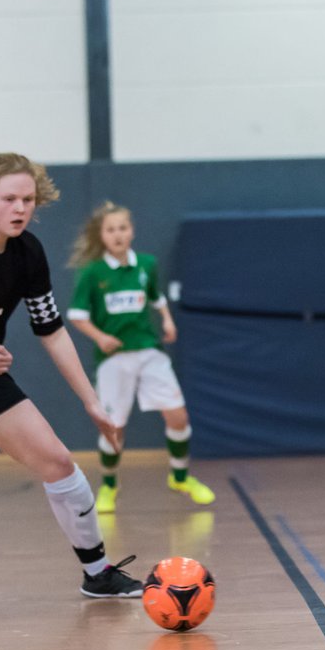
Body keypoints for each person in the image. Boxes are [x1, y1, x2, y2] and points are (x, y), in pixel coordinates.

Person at [0, 153, 146, 601]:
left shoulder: (28, 254)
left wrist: (92, 403)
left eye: (28, 199)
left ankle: (98, 573)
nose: (20, 208)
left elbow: (51, 330)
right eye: (9, 198)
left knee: (58, 462)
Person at [67, 202, 214, 514]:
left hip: (149, 352)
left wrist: (168, 319)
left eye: (123, 228)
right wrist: (101, 337)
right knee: (114, 428)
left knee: (178, 416)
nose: (118, 234)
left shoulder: (146, 264)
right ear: (102, 235)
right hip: (114, 360)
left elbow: (156, 297)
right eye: (111, 229)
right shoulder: (93, 273)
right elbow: (77, 316)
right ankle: (108, 485)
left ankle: (180, 477)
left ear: (131, 231)